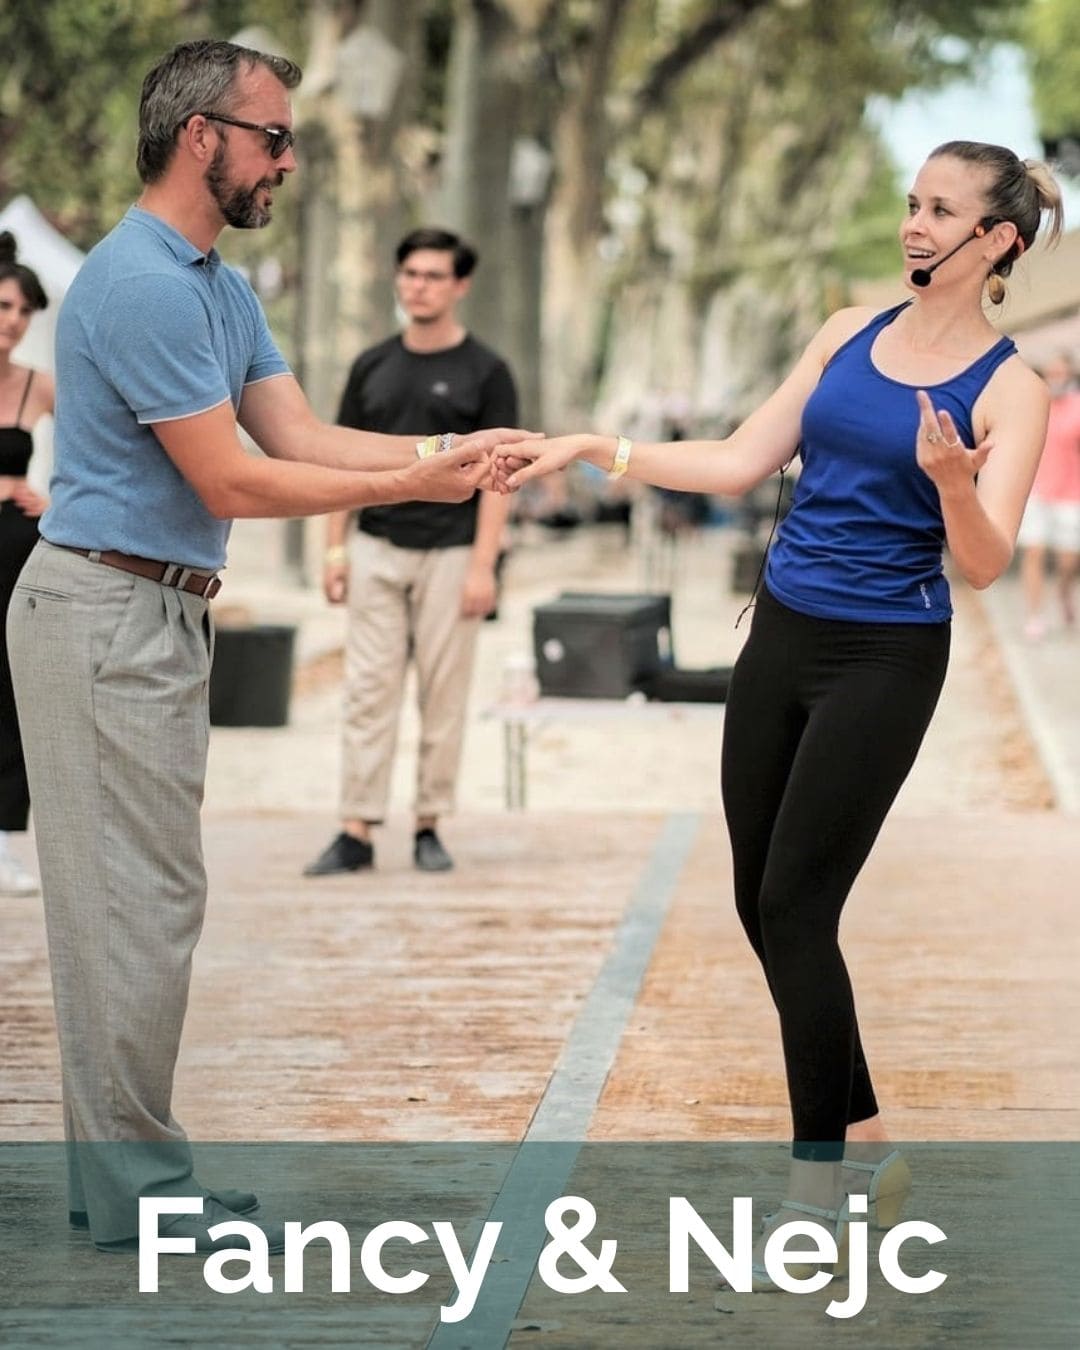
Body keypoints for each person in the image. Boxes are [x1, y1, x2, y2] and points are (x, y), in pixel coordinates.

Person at [495, 140, 1062, 1286]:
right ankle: (866, 1139)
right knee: (761, 902)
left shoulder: (1012, 390)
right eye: (911, 203)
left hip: (888, 656)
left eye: (940, 210)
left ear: (996, 240)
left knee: (799, 904)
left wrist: (955, 484)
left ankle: (818, 1191)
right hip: (783, 634)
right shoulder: (846, 331)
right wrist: (596, 448)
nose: (914, 225)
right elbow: (742, 458)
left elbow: (989, 563)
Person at [5, 39, 531, 1256]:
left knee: (148, 902)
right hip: (99, 614)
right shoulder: (136, 283)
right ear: (204, 138)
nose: (286, 161)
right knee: (126, 911)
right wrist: (431, 472)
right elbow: (233, 475)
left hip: (156, 613)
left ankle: (124, 1184)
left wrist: (443, 463)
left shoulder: (218, 285)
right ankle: (137, 1190)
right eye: (273, 137)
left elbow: (294, 426)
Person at [304, 229, 516, 877]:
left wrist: (484, 566)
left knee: (443, 694)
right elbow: (338, 457)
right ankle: (356, 828)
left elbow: (504, 476)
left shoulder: (486, 371)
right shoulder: (372, 365)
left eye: (432, 275)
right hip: (376, 546)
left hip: (452, 553)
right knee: (369, 689)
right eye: (410, 274)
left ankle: (429, 823)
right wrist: (335, 551)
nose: (417, 285)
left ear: (459, 286)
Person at [0, 233, 54, 897]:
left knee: (11, 689)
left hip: (15, 550)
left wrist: (59, 499)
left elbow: (105, 445)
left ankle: (7, 839)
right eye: (3, 304)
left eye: (22, 310)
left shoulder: (42, 386)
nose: (11, 320)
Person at [1017, 352, 1080, 640]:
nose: (1056, 379)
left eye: (1061, 373)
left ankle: (1065, 593)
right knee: (1034, 551)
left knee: (1068, 561)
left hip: (1070, 493)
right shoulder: (1034, 405)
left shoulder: (1077, 408)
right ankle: (1034, 615)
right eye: (1051, 373)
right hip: (1037, 491)